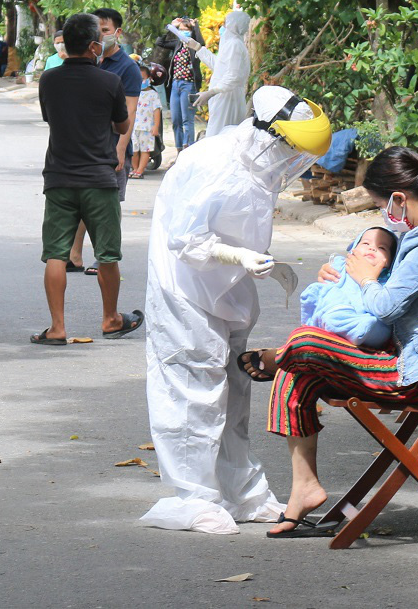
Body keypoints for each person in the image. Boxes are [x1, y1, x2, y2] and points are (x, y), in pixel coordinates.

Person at [141, 85, 332, 535]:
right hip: (185, 292)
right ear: (269, 136)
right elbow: (186, 240)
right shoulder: (216, 162)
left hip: (225, 293)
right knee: (192, 392)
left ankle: (241, 493)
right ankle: (194, 498)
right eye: (292, 149)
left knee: (234, 391)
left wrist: (259, 261)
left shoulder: (258, 168)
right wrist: (239, 258)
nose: (295, 161)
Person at [263, 146, 418, 537]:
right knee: (294, 375)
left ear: (398, 198)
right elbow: (383, 294)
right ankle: (304, 487)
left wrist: (363, 277)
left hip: (413, 374)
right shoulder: (417, 238)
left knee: (304, 342)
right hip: (399, 359)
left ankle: (274, 356)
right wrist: (339, 274)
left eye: (379, 205)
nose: (381, 217)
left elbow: (388, 307)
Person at [32, 14, 144, 345]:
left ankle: (57, 328)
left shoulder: (48, 80)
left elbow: (50, 118)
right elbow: (123, 126)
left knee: (56, 254)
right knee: (108, 254)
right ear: (95, 45)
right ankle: (111, 319)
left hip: (60, 177)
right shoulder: (109, 82)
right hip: (99, 178)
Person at [240, 229, 400, 381]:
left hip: (367, 338)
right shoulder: (342, 268)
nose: (372, 248)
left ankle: (282, 360)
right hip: (334, 323)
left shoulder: (388, 281)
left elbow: (384, 308)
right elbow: (323, 294)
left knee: (307, 343)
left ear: (389, 262)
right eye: (365, 243)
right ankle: (289, 359)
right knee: (322, 298)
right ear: (352, 253)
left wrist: (369, 280)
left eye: (382, 248)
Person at [67, 8, 143, 273]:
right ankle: (74, 255)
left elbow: (130, 112)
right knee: (84, 202)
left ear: (117, 33)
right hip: (88, 144)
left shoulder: (128, 68)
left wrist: (120, 150)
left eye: (106, 30)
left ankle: (105, 258)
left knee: (108, 205)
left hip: (112, 144)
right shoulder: (91, 60)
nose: (101, 35)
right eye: (97, 30)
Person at [186, 10, 252, 139]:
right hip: (223, 97)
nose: (223, 27)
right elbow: (220, 67)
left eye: (226, 23)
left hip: (228, 100)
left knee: (218, 140)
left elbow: (233, 77)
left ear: (233, 25)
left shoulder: (234, 45)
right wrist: (198, 48)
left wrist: (210, 93)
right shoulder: (230, 43)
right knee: (218, 138)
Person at [153, 18, 204, 151]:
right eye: (180, 30)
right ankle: (179, 150)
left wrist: (195, 26)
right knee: (176, 121)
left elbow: (202, 43)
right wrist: (170, 26)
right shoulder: (177, 44)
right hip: (175, 84)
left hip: (188, 85)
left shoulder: (194, 46)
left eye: (186, 30)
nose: (183, 33)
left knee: (187, 120)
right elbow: (160, 42)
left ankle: (188, 151)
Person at [130, 76, 162, 179]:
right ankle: (134, 168)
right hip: (133, 127)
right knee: (133, 149)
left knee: (145, 150)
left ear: (149, 79)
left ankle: (140, 170)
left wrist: (156, 126)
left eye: (143, 78)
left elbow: (156, 110)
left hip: (147, 128)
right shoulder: (132, 92)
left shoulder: (153, 94)